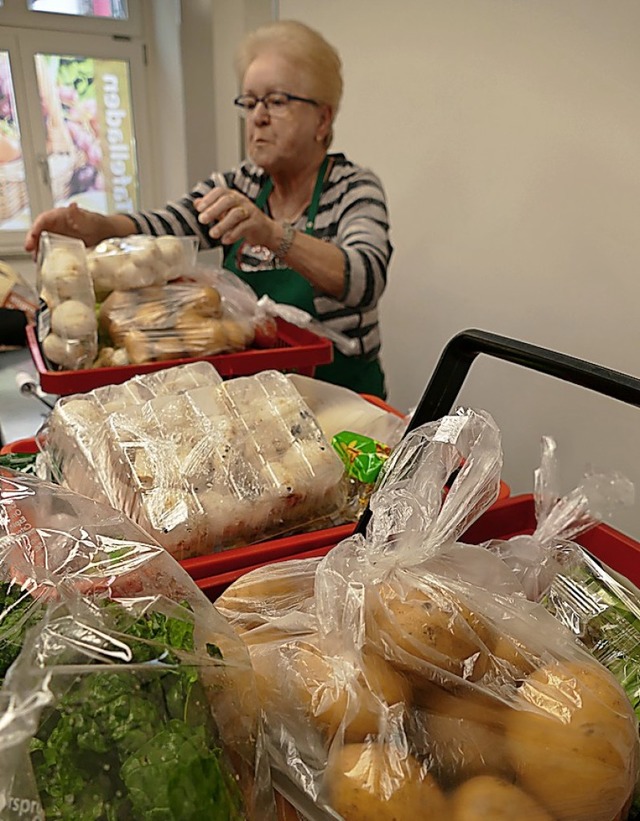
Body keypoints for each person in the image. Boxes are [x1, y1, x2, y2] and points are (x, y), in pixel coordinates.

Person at [25, 20, 392, 398]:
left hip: (342, 397)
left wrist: (269, 232)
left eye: (277, 101)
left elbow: (364, 278)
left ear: (322, 118)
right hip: (258, 396)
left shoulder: (353, 187)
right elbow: (170, 225)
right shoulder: (239, 185)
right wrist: (97, 226)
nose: (258, 117)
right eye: (249, 102)